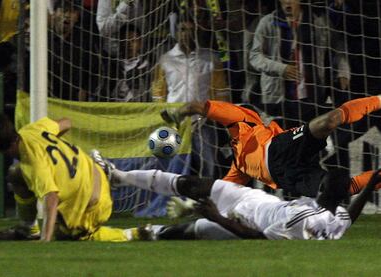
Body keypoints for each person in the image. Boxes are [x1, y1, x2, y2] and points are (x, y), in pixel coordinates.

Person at [0, 113, 150, 242]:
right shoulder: (31, 130)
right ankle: (28, 229)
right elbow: (66, 123)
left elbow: (51, 197)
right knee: (16, 173)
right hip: (93, 173)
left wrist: (46, 239)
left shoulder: (34, 163)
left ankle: (132, 233)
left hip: (94, 206)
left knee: (66, 235)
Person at [160, 95, 381, 197]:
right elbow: (220, 192)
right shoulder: (238, 166)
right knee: (342, 190)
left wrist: (175, 116)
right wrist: (190, 205)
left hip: (278, 148)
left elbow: (195, 106)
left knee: (328, 122)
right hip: (289, 177)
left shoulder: (240, 118)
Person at [104, 161, 381, 240]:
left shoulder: (303, 220)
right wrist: (370, 184)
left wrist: (218, 218)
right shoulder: (336, 218)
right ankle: (118, 176)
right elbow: (350, 215)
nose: (317, 187)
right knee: (191, 184)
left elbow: (258, 237)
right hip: (254, 198)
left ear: (324, 190)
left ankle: (120, 235)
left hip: (243, 220)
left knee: (184, 231)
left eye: (322, 185)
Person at [249, 0, 350, 128]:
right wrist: (281, 69)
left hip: (313, 96)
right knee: (284, 140)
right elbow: (254, 56)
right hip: (279, 98)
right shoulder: (267, 22)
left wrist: (343, 71)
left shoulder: (319, 21)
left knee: (312, 139)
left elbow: (338, 46)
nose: (287, 2)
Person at [152, 17, 230, 178]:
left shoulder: (210, 59)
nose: (186, 34)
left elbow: (221, 93)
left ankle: (207, 200)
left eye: (191, 30)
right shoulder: (165, 60)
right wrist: (165, 118)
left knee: (208, 168)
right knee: (173, 169)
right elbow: (158, 94)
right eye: (182, 29)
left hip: (204, 124)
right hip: (175, 123)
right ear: (176, 32)